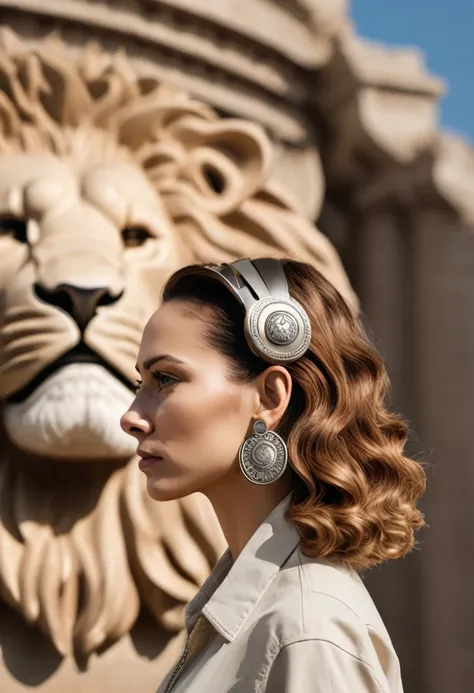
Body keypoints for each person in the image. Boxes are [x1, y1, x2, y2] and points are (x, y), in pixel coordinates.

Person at [120, 257, 426, 693]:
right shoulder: (258, 616)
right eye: (140, 383)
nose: (131, 417)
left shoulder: (306, 631)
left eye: (166, 379)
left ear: (269, 397)